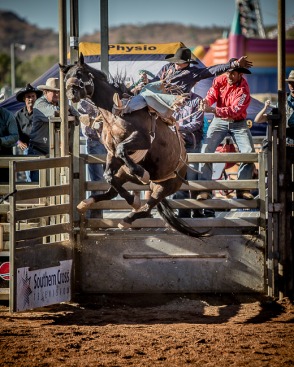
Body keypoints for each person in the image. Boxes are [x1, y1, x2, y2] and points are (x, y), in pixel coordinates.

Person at [112, 47, 253, 119]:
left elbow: (213, 70)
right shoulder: (167, 68)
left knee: (145, 97)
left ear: (186, 63)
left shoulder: (193, 73)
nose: (177, 65)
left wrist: (233, 64)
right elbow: (155, 83)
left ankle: (123, 108)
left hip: (170, 103)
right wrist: (146, 82)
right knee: (145, 93)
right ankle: (124, 106)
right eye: (176, 62)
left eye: (180, 63)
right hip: (157, 97)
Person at [197, 65, 255, 200]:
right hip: (219, 120)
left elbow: (235, 110)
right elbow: (212, 94)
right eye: (228, 72)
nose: (229, 76)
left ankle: (243, 188)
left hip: (237, 122)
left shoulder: (244, 89)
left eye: (233, 74)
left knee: (248, 152)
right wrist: (206, 101)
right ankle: (205, 189)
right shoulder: (219, 80)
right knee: (206, 150)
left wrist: (212, 110)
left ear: (240, 75)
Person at [28, 77, 79, 182]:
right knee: (37, 186)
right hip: (38, 152)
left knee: (52, 185)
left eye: (58, 92)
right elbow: (54, 112)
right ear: (45, 92)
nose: (57, 94)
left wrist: (69, 110)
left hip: (52, 152)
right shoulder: (40, 103)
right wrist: (68, 109)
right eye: (54, 92)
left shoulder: (59, 104)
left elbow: (75, 112)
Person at [172, 91, 208, 218]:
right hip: (176, 144)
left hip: (191, 144)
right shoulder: (172, 99)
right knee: (179, 178)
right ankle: (183, 212)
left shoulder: (197, 101)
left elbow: (197, 123)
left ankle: (197, 211)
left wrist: (178, 127)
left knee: (192, 178)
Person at [78, 98, 107, 218]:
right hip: (95, 140)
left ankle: (95, 214)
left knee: (107, 180)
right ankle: (95, 216)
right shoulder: (84, 102)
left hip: (106, 140)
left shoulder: (102, 96)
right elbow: (87, 122)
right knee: (98, 180)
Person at [255, 70, 294, 146]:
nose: (292, 86)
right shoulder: (283, 102)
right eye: (290, 83)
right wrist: (265, 108)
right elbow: (258, 119)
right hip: (286, 143)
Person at [15, 83, 42, 182]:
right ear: (24, 99)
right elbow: (14, 132)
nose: (31, 99)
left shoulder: (41, 113)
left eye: (33, 96)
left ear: (36, 98)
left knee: (39, 177)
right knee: (29, 176)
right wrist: (19, 142)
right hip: (27, 148)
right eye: (28, 97)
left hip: (40, 148)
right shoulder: (18, 115)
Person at [0, 106, 19, 182]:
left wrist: (1, 141)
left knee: (6, 185)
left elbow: (15, 136)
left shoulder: (7, 115)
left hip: (4, 153)